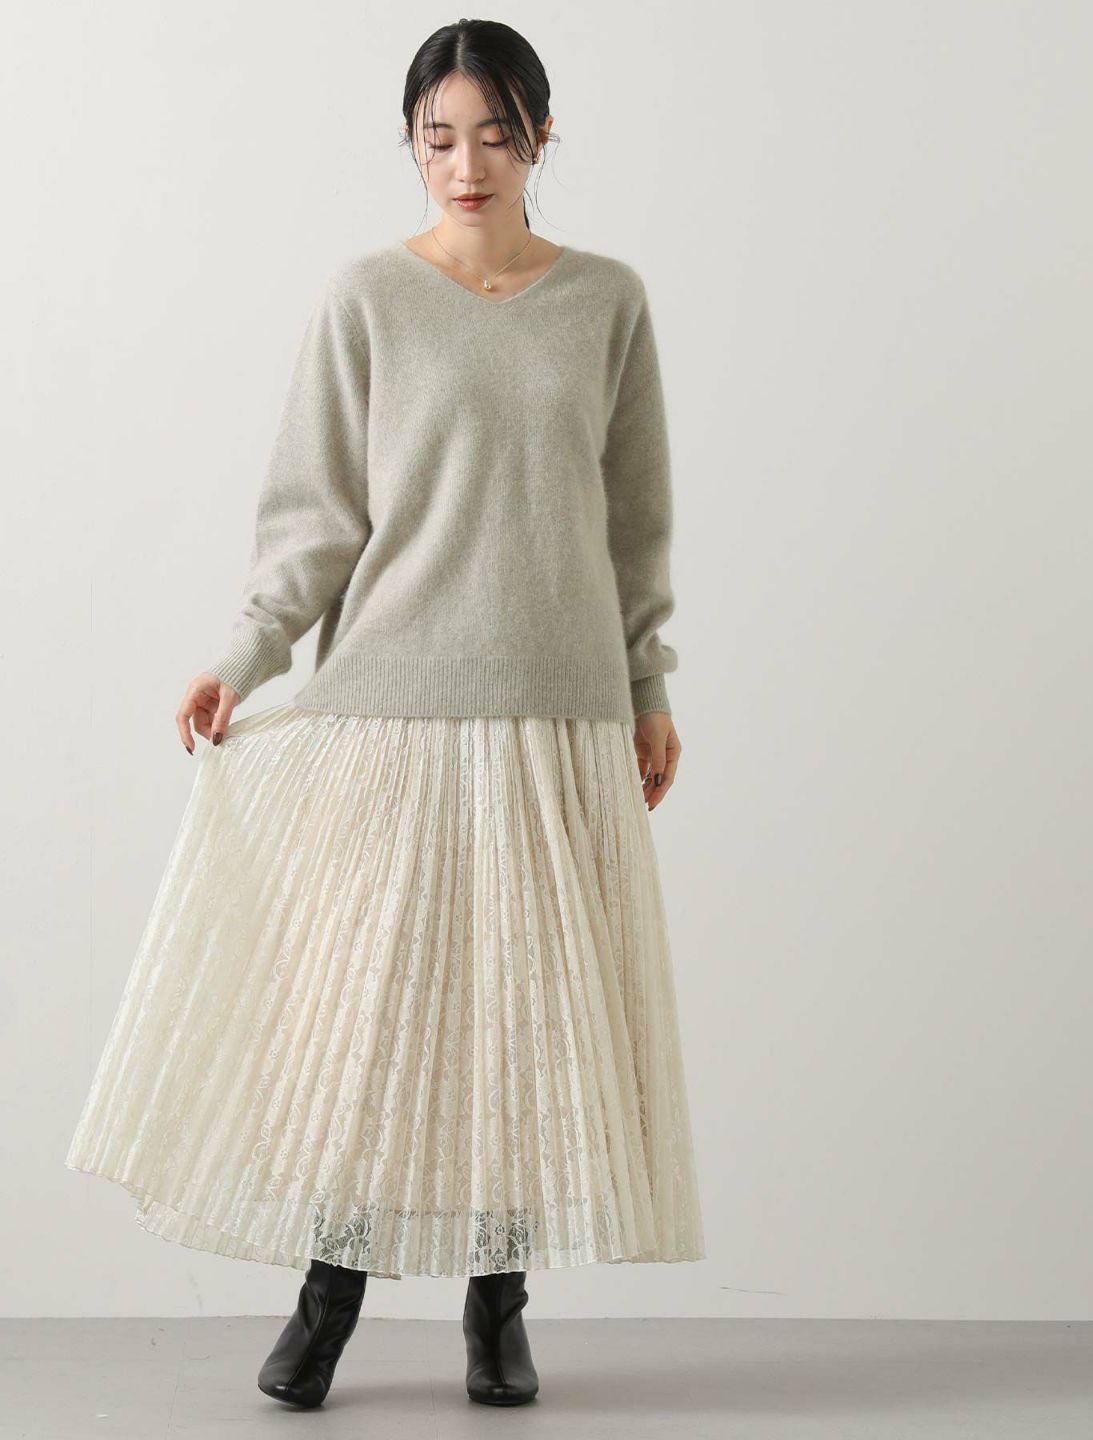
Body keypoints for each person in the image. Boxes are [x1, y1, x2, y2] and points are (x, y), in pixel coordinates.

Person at [65, 17, 705, 1412]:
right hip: (392, 710)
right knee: (363, 1029)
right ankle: (328, 1297)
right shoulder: (366, 298)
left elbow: (634, 522)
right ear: (411, 143)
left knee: (525, 1032)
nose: (467, 165)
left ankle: (498, 1309)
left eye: (495, 135)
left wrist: (647, 686)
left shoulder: (608, 302)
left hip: (555, 711)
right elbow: (316, 516)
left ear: (541, 136)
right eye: (439, 138)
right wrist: (246, 653)